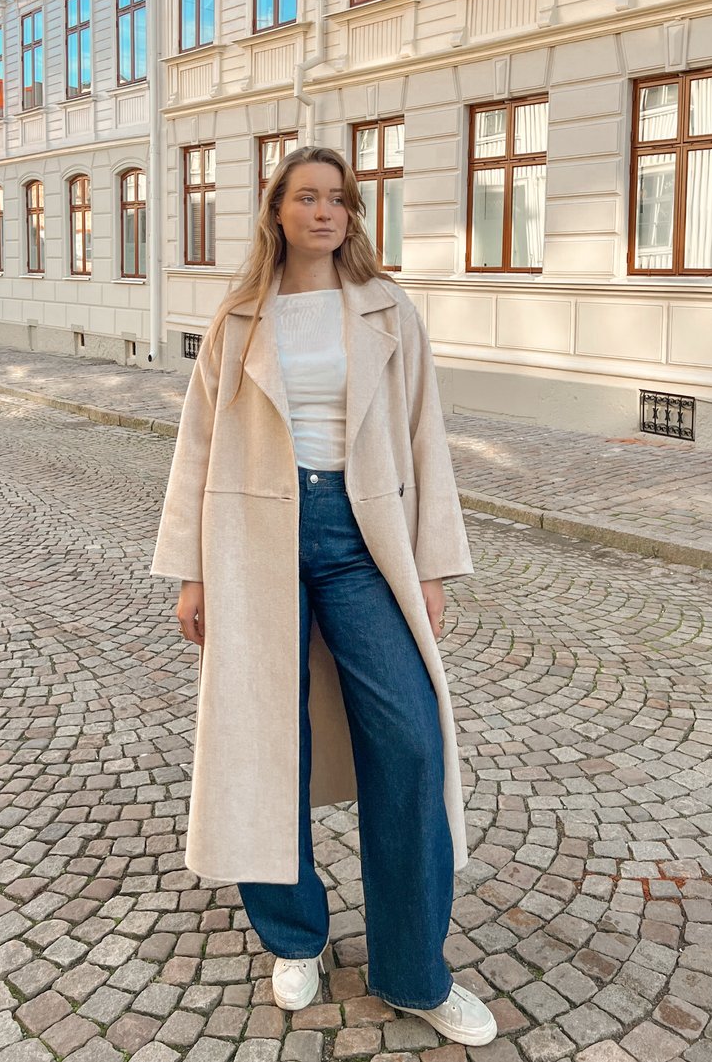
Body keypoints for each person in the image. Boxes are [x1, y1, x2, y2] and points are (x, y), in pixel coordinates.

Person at [150, 145, 497, 1044]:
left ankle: (416, 968)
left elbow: (427, 436)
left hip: (361, 538)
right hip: (253, 538)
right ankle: (295, 934)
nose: (325, 211)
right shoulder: (238, 318)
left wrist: (427, 564)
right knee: (268, 740)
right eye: (307, 197)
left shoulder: (386, 309)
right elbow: (196, 446)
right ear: (276, 210)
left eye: (338, 198)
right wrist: (191, 568)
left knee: (413, 736)